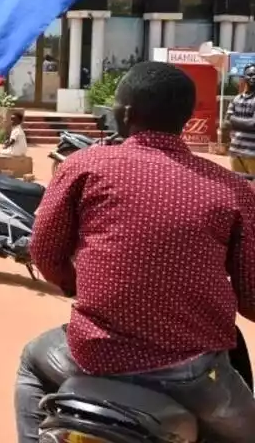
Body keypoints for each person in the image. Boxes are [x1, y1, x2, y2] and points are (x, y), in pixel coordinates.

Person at [14, 61, 255, 442]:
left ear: (125, 113)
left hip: (93, 356)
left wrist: (75, 284)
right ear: (186, 117)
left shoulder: (84, 166)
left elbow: (45, 251)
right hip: (195, 373)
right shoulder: (232, 189)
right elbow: (252, 298)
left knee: (32, 361)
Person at [227, 64, 255, 175]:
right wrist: (247, 122)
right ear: (244, 77)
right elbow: (226, 122)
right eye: (250, 75)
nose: (253, 77)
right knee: (239, 186)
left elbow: (253, 124)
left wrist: (234, 120)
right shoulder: (237, 98)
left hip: (253, 154)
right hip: (235, 152)